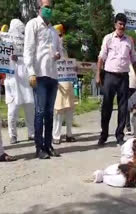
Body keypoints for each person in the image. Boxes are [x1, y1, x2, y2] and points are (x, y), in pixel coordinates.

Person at [24, 0, 62, 159]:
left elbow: (59, 50)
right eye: (46, 7)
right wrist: (31, 72)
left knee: (49, 113)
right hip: (39, 74)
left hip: (52, 75)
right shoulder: (32, 25)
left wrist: (58, 55)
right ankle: (39, 148)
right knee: (39, 112)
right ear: (39, 8)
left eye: (50, 7)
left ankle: (48, 144)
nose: (49, 10)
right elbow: (28, 50)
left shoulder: (53, 31)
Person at [96, 13, 136, 146]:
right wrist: (98, 74)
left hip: (124, 77)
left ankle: (120, 136)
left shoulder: (129, 41)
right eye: (120, 24)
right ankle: (104, 135)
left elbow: (134, 59)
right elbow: (101, 57)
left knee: (123, 107)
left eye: (124, 24)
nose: (122, 26)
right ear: (115, 25)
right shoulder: (108, 38)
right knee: (106, 106)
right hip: (109, 76)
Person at [4, 19, 35, 145]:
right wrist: (11, 58)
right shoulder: (5, 41)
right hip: (12, 80)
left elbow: (30, 56)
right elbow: (3, 59)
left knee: (30, 107)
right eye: (20, 28)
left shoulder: (25, 41)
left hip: (26, 80)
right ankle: (13, 135)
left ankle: (31, 133)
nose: (22, 31)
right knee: (12, 110)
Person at [52, 24, 76, 144]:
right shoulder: (51, 50)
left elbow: (68, 67)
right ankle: (56, 136)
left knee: (70, 109)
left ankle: (69, 134)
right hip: (57, 83)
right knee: (58, 110)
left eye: (61, 35)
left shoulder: (64, 50)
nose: (60, 38)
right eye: (58, 35)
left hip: (68, 83)